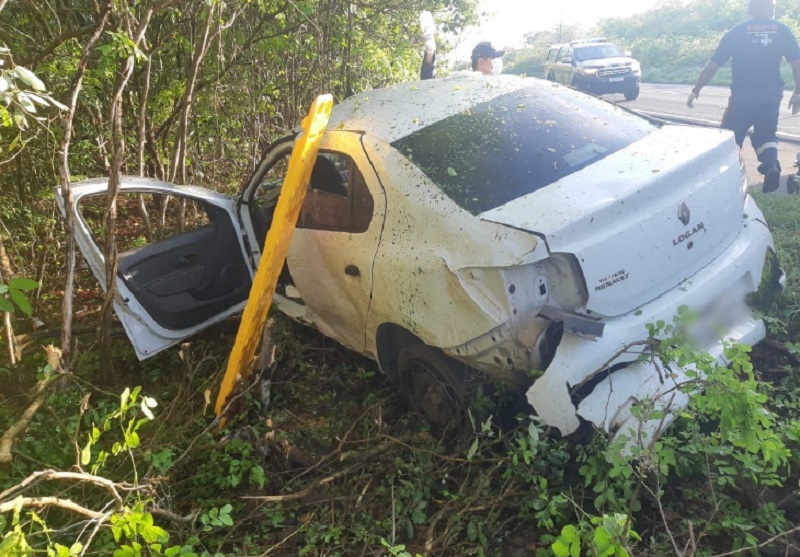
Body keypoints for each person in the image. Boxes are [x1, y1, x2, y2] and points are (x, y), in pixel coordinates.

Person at [687, 0, 800, 192]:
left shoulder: (736, 32)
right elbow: (797, 63)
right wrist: (798, 92)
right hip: (771, 96)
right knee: (766, 135)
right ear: (771, 9)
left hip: (742, 97)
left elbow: (713, 65)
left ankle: (727, 181)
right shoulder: (782, 31)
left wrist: (696, 89)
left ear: (749, 9)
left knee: (730, 137)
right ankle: (771, 164)